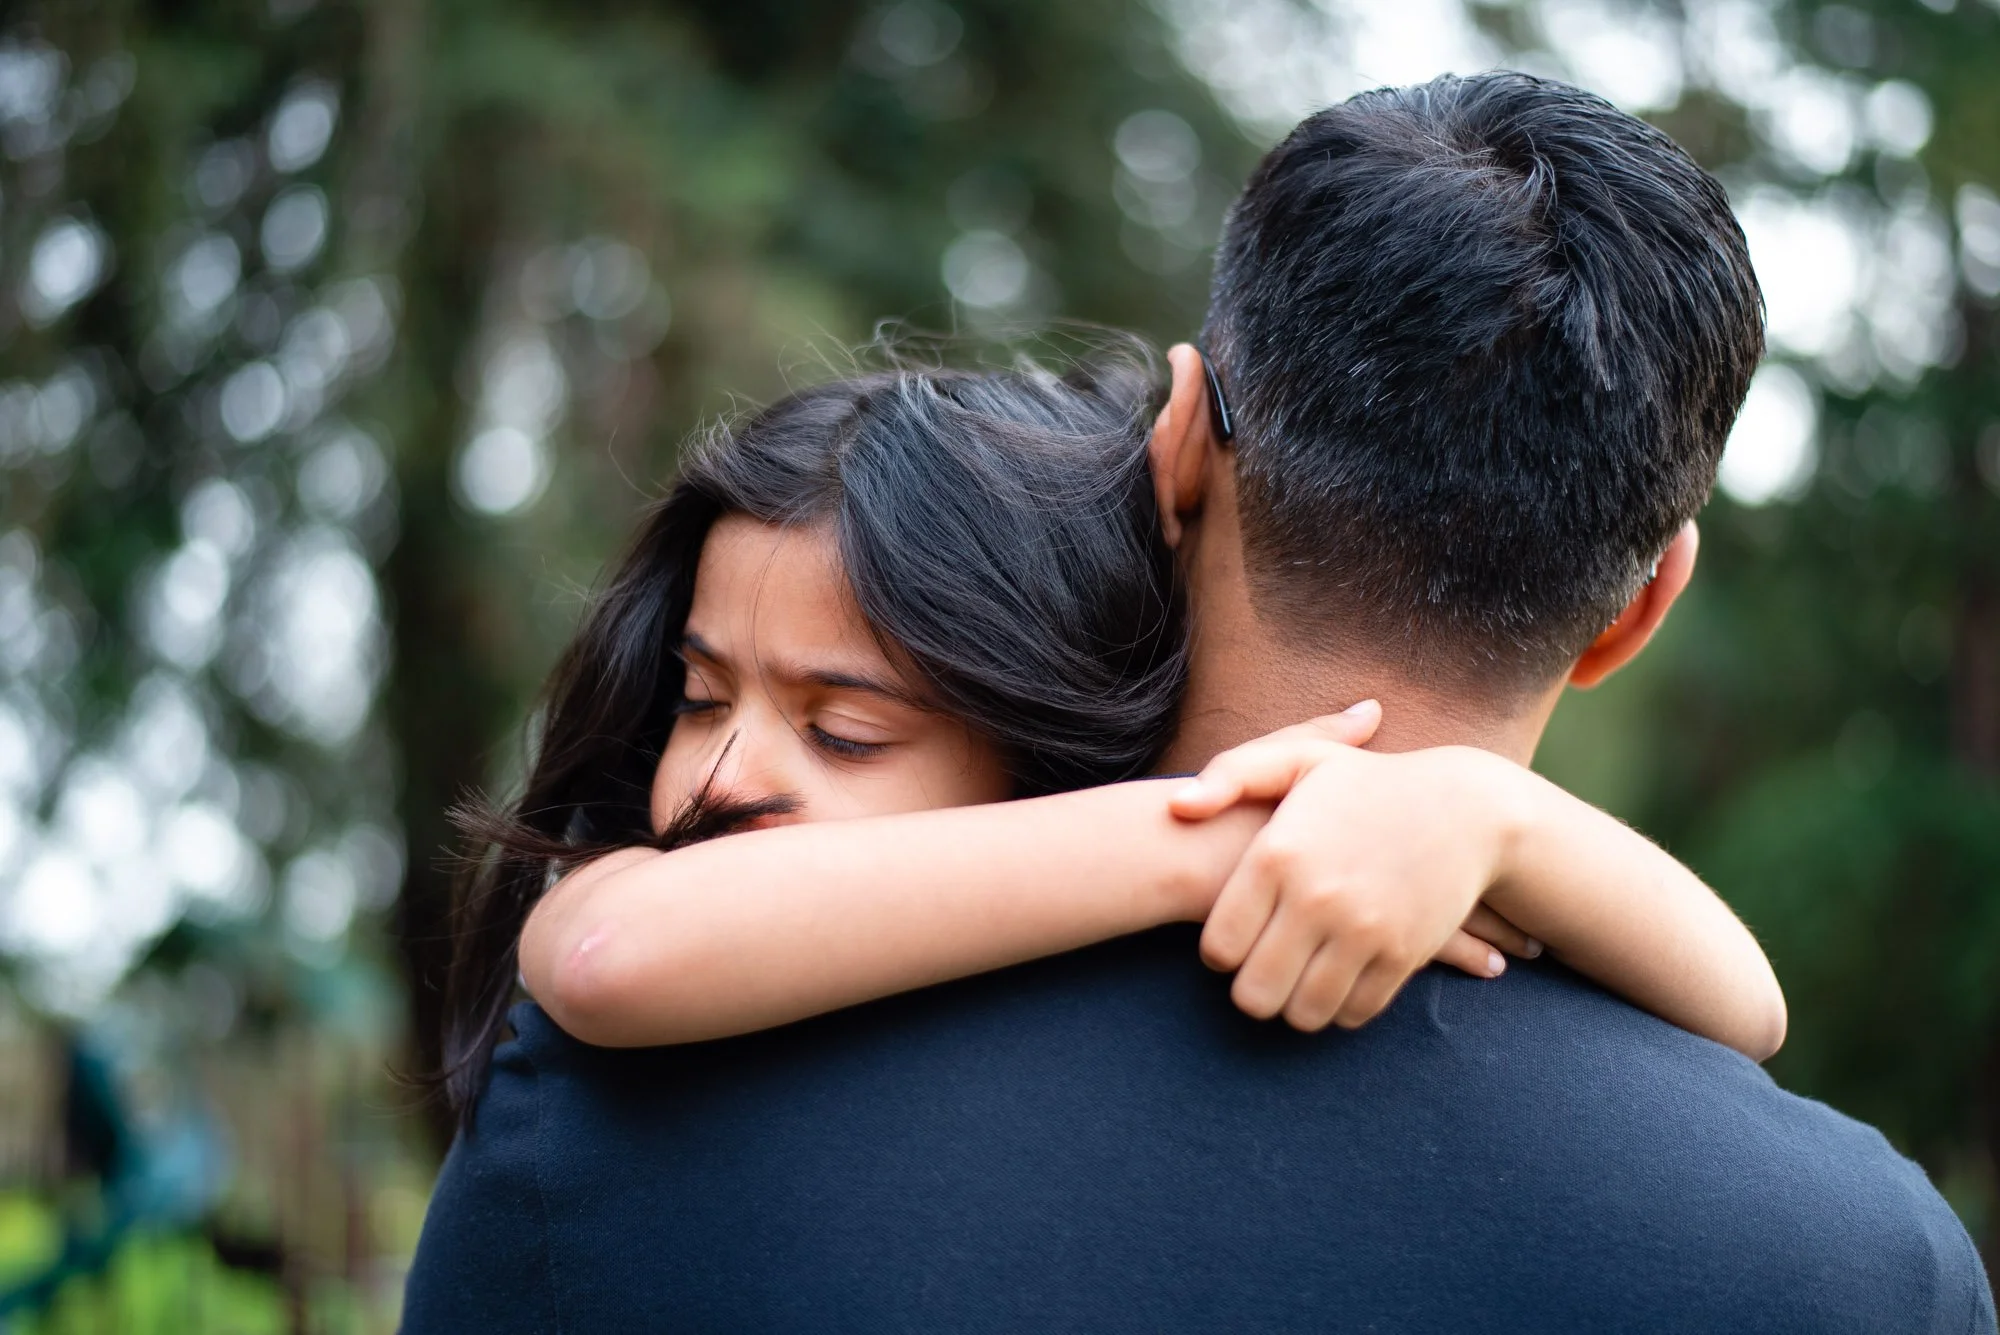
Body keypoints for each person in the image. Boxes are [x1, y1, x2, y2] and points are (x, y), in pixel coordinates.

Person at [403, 73, 1993, 1332]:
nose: (732, 772)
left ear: (1177, 440)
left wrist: (1460, 819)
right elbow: (1752, 1021)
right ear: (1643, 603)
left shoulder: (611, 1114)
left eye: (844, 724)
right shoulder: (1863, 1268)